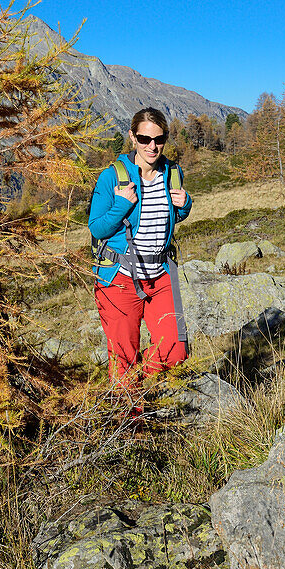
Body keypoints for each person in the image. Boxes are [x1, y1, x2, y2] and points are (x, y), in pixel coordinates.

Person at [88, 108, 192, 386]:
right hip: (119, 280)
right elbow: (97, 228)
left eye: (159, 139)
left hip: (160, 276)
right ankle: (130, 423)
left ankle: (133, 377)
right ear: (133, 137)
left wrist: (185, 206)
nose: (152, 146)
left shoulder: (173, 173)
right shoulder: (111, 177)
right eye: (145, 138)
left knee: (176, 351)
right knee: (123, 361)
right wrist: (122, 204)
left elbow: (169, 216)